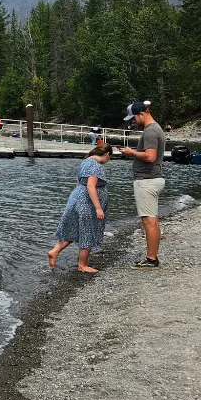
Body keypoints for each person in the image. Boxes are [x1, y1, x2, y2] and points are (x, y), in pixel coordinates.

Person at [48, 143, 114, 273]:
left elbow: (79, 182)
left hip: (77, 198)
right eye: (110, 157)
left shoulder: (86, 162)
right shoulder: (95, 165)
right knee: (87, 231)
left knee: (75, 229)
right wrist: (98, 208)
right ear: (107, 154)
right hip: (86, 202)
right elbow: (90, 186)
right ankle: (82, 265)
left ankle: (54, 251)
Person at [120, 101, 166, 269]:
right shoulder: (155, 129)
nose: (133, 122)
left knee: (148, 221)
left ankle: (151, 259)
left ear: (141, 114)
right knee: (152, 220)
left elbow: (150, 156)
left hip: (147, 180)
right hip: (153, 179)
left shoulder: (150, 131)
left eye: (133, 118)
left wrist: (131, 152)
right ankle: (153, 257)